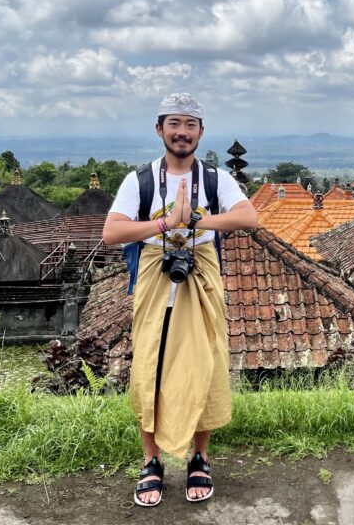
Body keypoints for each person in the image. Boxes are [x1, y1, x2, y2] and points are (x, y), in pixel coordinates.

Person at [102, 93, 258, 507]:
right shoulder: (141, 181)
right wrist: (164, 223)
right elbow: (111, 232)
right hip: (156, 284)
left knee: (203, 368)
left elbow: (248, 217)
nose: (182, 132)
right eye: (174, 124)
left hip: (201, 281)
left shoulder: (214, 179)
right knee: (149, 369)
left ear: (201, 133)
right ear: (159, 130)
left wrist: (198, 221)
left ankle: (199, 456)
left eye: (190, 125)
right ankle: (151, 461)